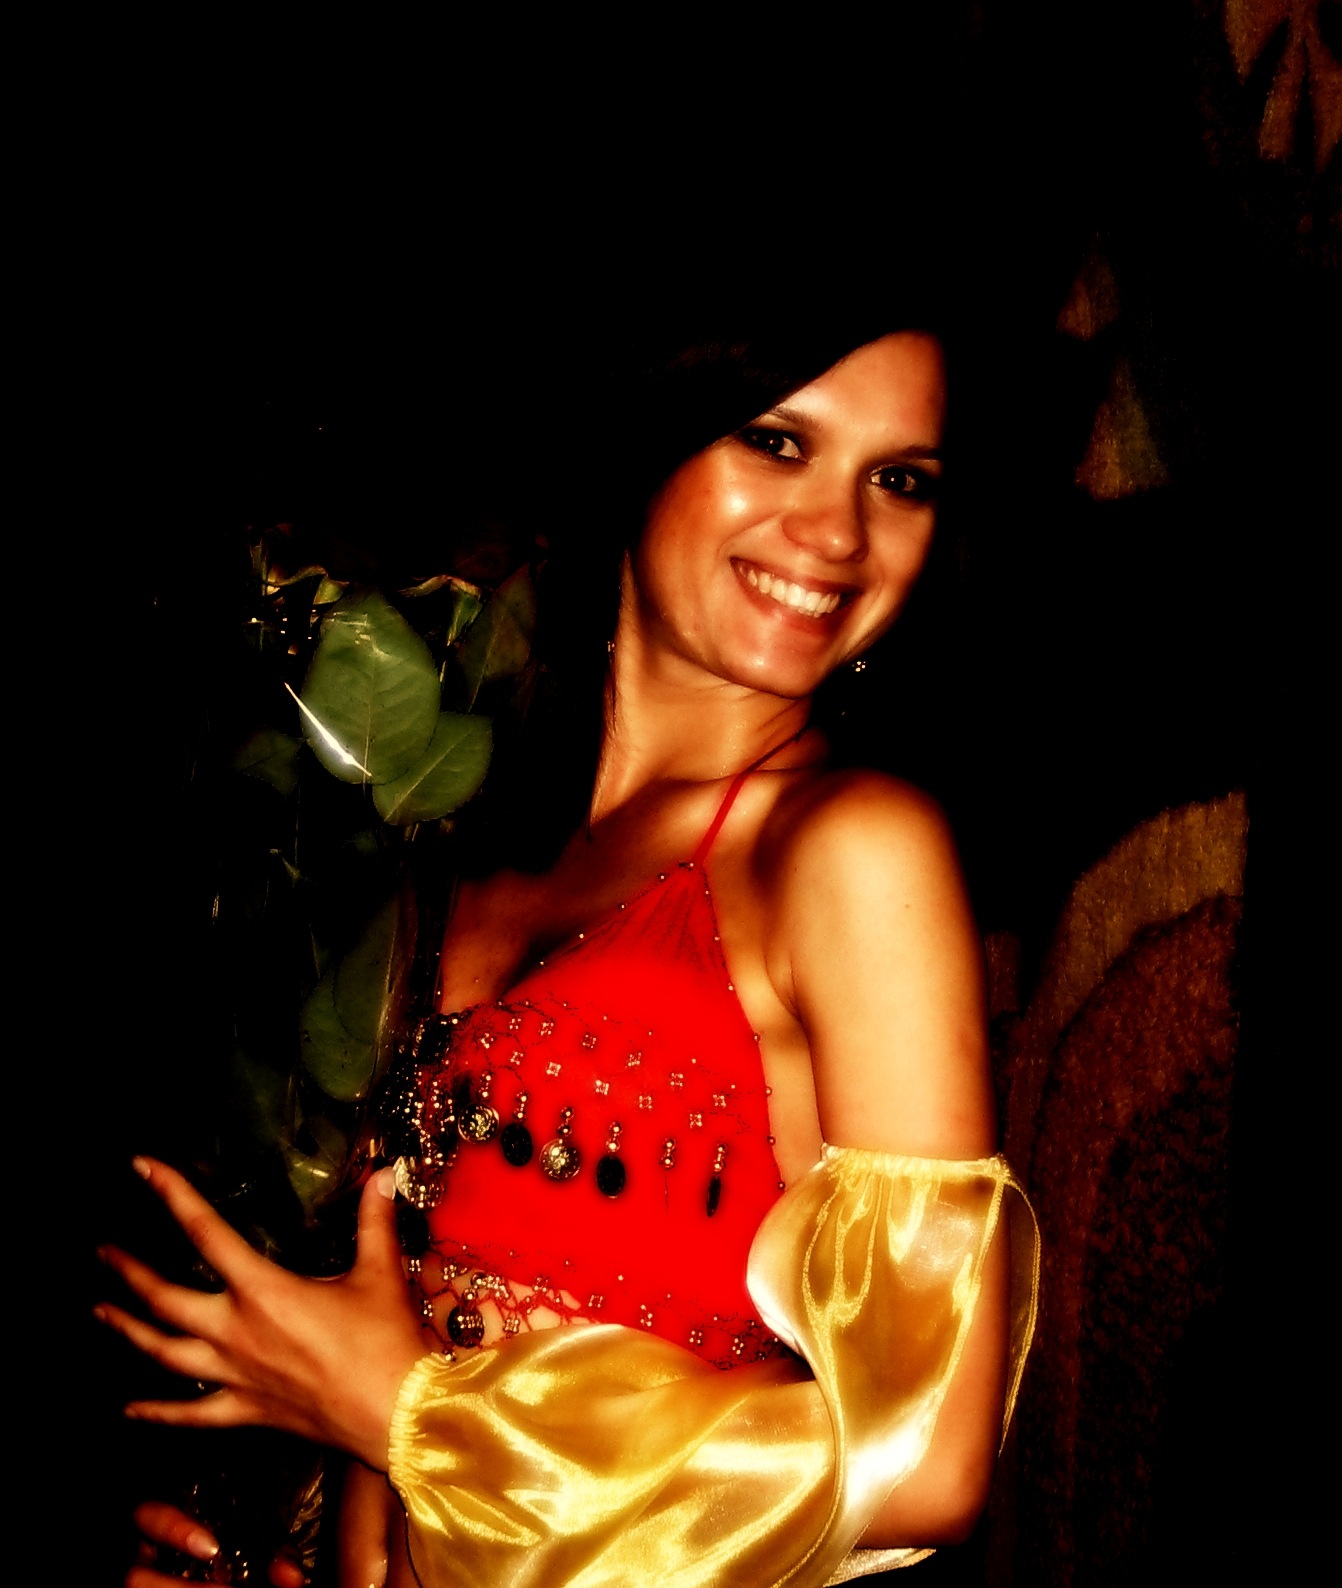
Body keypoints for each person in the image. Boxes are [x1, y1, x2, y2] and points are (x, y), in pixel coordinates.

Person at [100, 315, 1038, 1587]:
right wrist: (276, 1533)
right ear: (646, 442)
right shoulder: (461, 837)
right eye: (777, 443)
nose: (836, 531)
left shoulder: (850, 848)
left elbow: (929, 1457)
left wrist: (410, 1416)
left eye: (900, 478)